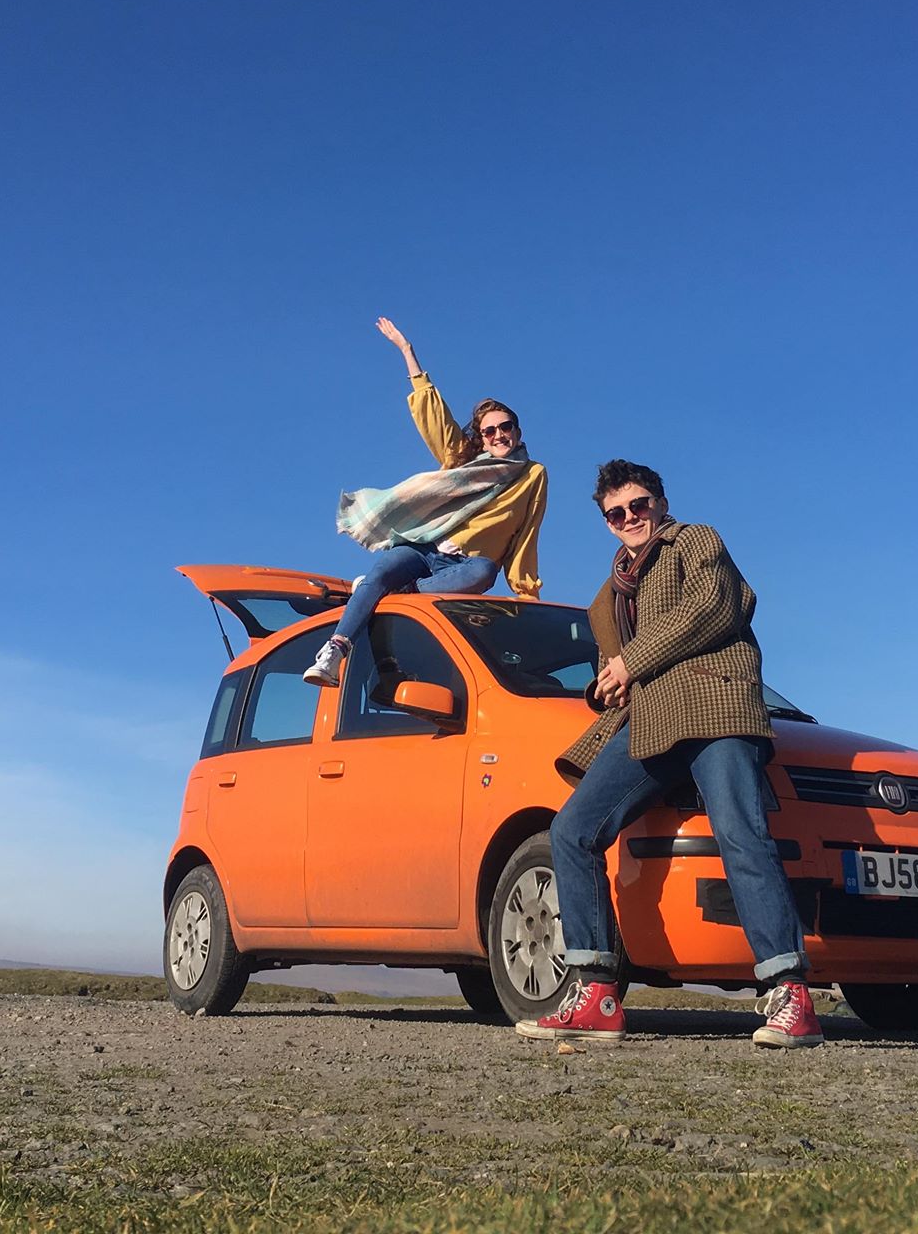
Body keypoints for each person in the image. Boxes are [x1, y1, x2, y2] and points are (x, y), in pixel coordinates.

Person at [516, 460, 822, 1048]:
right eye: (617, 513)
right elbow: (619, 674)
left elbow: (715, 608)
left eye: (639, 505)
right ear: (606, 523)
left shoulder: (695, 541)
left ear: (659, 502)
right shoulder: (606, 599)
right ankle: (597, 993)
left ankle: (789, 995)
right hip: (650, 723)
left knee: (740, 833)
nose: (631, 518)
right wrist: (605, 684)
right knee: (572, 830)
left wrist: (632, 663)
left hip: (715, 707)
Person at [303, 318, 548, 686]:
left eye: (506, 426)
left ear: (518, 429)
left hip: (465, 567)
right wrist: (408, 353)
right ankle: (335, 650)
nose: (499, 435)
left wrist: (527, 596)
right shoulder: (464, 463)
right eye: (490, 430)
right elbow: (436, 421)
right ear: (481, 439)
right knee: (385, 568)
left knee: (483, 572)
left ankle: (396, 593)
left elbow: (527, 533)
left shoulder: (533, 474)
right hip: (425, 550)